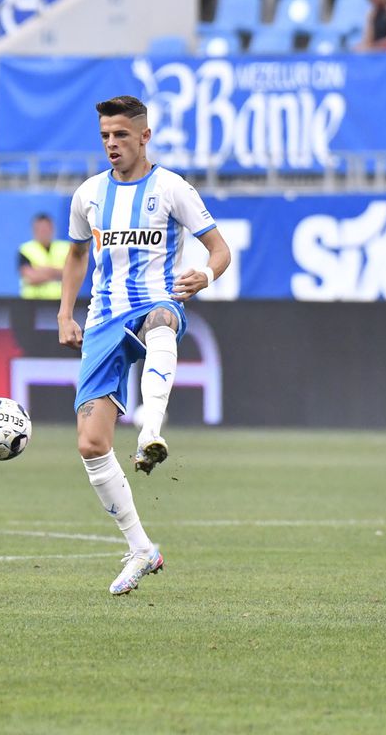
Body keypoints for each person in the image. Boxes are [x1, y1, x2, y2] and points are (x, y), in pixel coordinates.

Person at [57, 95, 231, 596]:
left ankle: (151, 430)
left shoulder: (171, 187)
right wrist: (65, 312)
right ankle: (141, 549)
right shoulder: (88, 194)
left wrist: (205, 274)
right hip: (102, 319)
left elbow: (219, 249)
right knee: (90, 444)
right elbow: (75, 256)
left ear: (144, 136)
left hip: (156, 302)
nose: (112, 144)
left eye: (121, 136)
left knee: (159, 317)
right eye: (105, 136)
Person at [18, 212, 69, 299]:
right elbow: (30, 278)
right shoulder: (25, 250)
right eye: (40, 229)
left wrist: (42, 270)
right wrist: (57, 273)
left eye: (46, 229)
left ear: (52, 229)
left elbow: (71, 273)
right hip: (32, 302)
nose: (43, 232)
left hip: (60, 302)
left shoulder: (65, 248)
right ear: (34, 230)